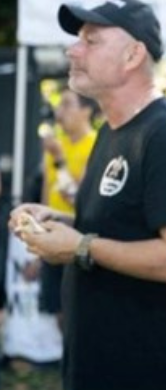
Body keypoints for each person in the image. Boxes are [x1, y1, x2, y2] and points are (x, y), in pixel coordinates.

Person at [10, 0, 166, 390]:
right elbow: (127, 226)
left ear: (133, 55)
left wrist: (80, 245)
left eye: (91, 41)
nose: (73, 50)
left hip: (155, 372)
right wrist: (62, 223)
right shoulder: (112, 130)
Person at [39, 89, 99, 327]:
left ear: (86, 110)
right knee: (57, 309)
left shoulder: (95, 144)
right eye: (59, 105)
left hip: (76, 235)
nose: (59, 112)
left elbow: (78, 198)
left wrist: (60, 160)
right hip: (51, 234)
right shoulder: (57, 143)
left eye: (67, 105)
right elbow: (47, 189)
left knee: (75, 311)